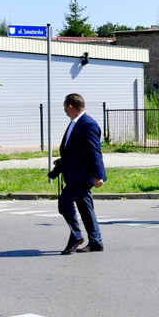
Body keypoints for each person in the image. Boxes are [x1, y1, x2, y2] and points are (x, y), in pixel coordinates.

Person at [55, 94, 107, 254]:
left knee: (64, 202)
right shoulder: (75, 124)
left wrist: (99, 175)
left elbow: (94, 151)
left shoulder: (88, 124)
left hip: (83, 176)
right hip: (76, 173)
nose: (64, 109)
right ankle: (96, 242)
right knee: (85, 208)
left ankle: (76, 235)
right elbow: (76, 149)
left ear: (70, 106)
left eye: (65, 106)